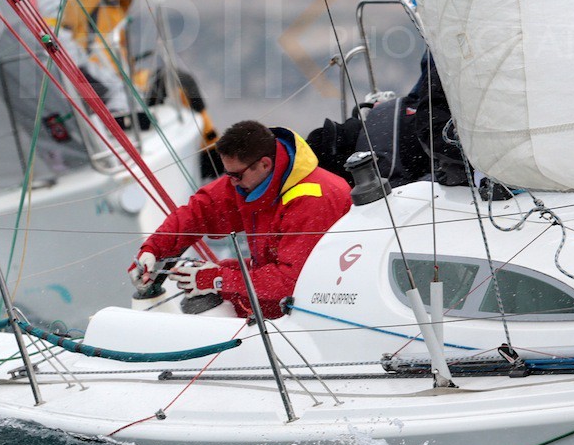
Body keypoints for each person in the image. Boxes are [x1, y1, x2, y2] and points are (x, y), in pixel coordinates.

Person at [128, 120, 352, 319]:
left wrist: (217, 278)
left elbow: (291, 282)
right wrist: (153, 249)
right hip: (282, 299)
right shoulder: (251, 181)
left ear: (264, 164)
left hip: (320, 313)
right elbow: (199, 212)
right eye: (228, 174)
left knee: (208, 302)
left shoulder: (313, 200)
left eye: (236, 175)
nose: (231, 182)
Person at [305, 52, 471, 189]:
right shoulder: (376, 113)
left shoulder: (379, 169)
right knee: (435, 57)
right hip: (421, 107)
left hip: (438, 135)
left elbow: (415, 191)